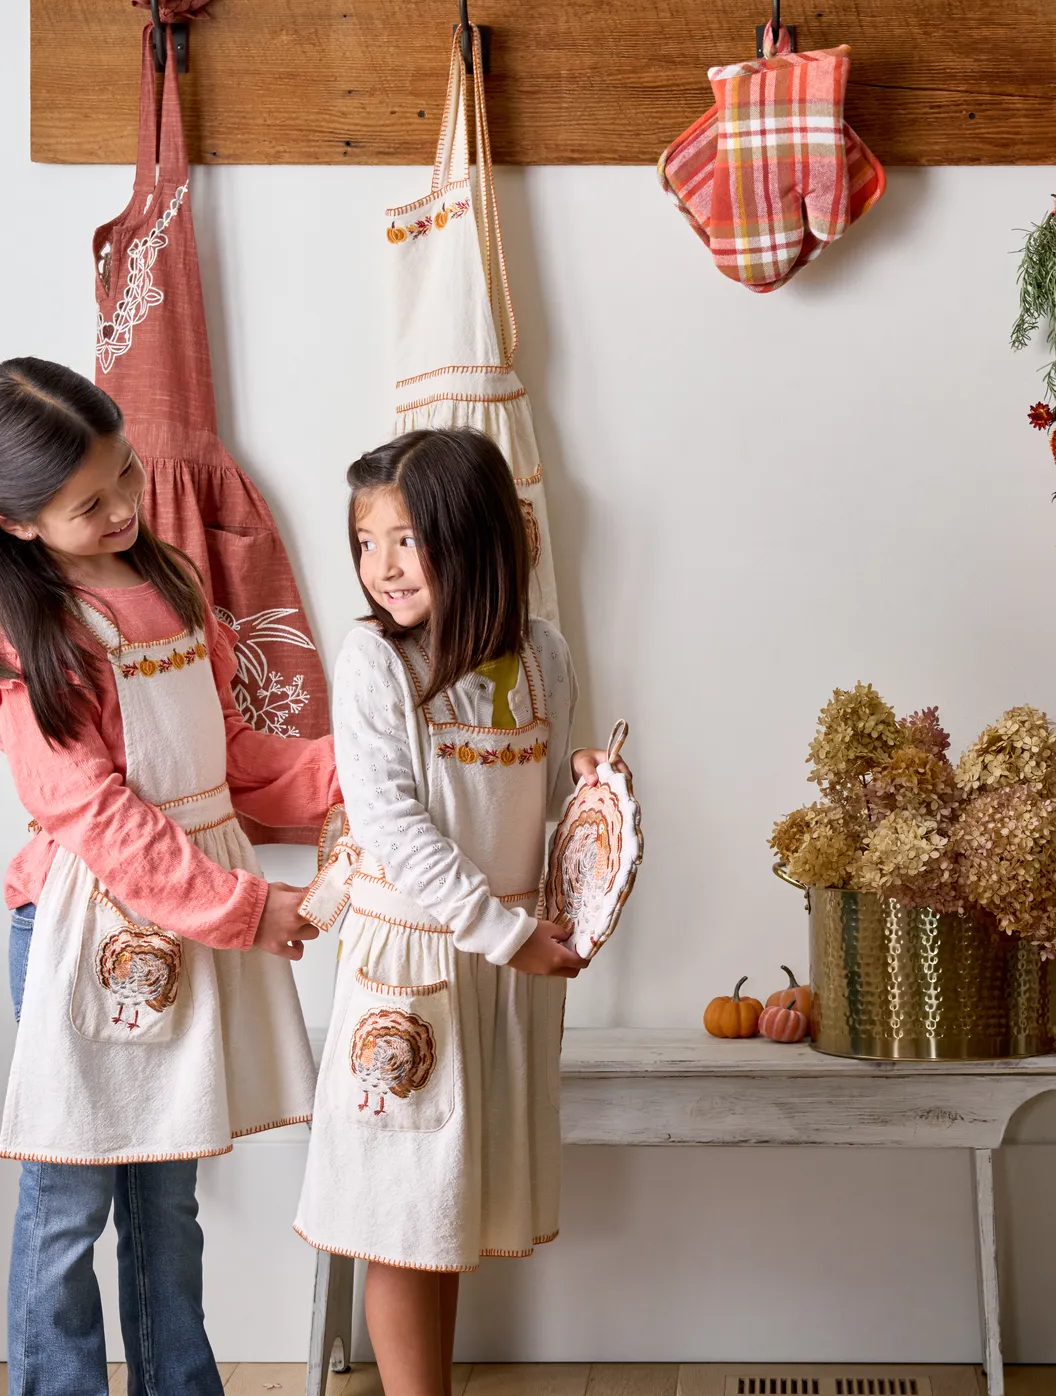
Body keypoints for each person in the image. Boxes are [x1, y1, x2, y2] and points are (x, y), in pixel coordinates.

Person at [0, 357, 332, 1396]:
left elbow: (229, 760)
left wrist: (359, 775)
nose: (122, 511)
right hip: (74, 932)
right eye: (86, 504)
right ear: (17, 525)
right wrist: (245, 908)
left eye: (126, 479)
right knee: (68, 1202)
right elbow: (93, 815)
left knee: (166, 1202)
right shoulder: (35, 640)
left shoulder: (170, 585)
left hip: (183, 918)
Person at [295, 427, 612, 1396]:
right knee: (399, 1210)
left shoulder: (542, 655)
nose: (380, 567)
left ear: (473, 538)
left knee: (447, 1206)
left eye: (405, 539)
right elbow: (395, 827)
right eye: (364, 542)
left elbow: (549, 797)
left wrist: (594, 797)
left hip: (500, 969)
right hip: (413, 967)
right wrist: (507, 932)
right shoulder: (372, 666)